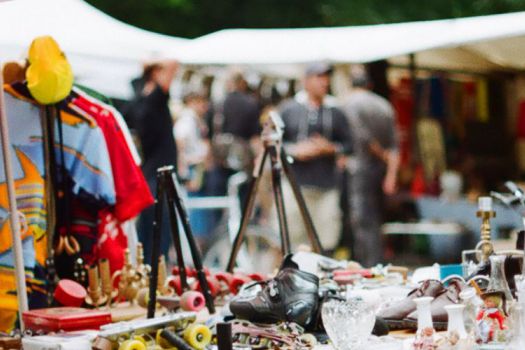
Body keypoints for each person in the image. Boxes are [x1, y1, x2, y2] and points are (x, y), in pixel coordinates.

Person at [277, 62, 352, 252]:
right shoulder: (289, 109)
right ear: (306, 81)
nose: (324, 82)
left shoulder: (336, 111)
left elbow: (349, 145)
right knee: (292, 239)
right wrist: (295, 150)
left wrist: (330, 149)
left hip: (326, 186)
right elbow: (274, 143)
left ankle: (322, 279)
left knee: (326, 240)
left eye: (326, 77)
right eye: (319, 77)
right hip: (295, 184)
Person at [343, 66, 400, 267]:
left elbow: (363, 138)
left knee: (361, 222)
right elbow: (395, 144)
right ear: (369, 84)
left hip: (358, 169)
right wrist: (391, 175)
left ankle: (367, 266)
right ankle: (377, 263)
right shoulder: (384, 105)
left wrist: (380, 154)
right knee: (376, 221)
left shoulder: (349, 103)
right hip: (380, 172)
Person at [131, 60, 179, 263]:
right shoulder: (154, 99)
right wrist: (154, 60)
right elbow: (173, 63)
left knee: (148, 238)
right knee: (159, 241)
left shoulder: (138, 100)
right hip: (159, 178)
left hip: (149, 177)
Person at [173, 91, 212, 245]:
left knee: (196, 212)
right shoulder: (187, 120)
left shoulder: (194, 120)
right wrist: (183, 166)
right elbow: (180, 141)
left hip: (194, 166)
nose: (205, 106)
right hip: (191, 167)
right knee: (192, 212)